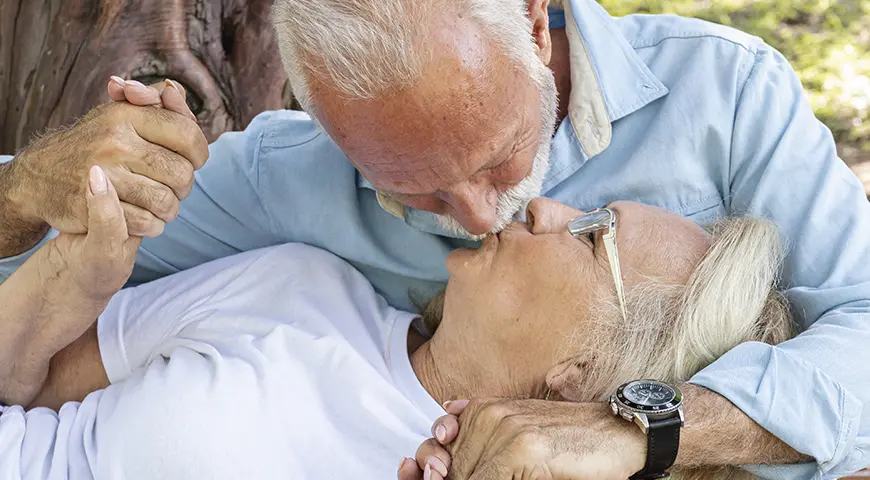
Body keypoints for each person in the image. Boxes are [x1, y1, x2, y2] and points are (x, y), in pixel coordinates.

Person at [0, 0, 868, 477]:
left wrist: (643, 429)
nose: (487, 217)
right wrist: (28, 189)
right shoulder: (287, 179)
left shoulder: (724, 95)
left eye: (498, 160)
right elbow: (47, 290)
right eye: (411, 191)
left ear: (536, 22)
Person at [0, 169, 794, 479]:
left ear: (583, 376)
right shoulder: (302, 283)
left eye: (593, 237)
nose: (548, 204)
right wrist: (66, 276)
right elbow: (21, 389)